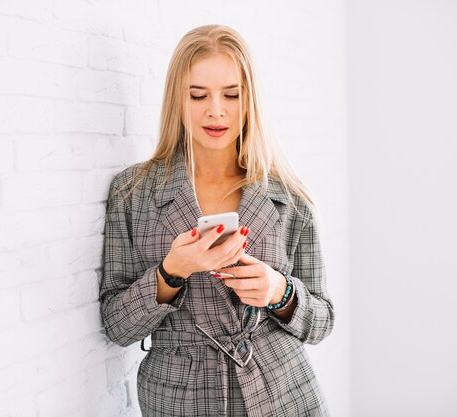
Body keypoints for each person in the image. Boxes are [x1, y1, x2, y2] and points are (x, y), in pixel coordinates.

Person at [100, 24, 334, 417]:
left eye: (231, 94)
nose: (215, 110)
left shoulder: (289, 197)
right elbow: (117, 326)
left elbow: (322, 321)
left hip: (283, 391)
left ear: (250, 100)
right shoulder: (133, 194)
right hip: (181, 396)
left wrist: (280, 292)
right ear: (178, 99)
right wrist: (172, 271)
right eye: (197, 95)